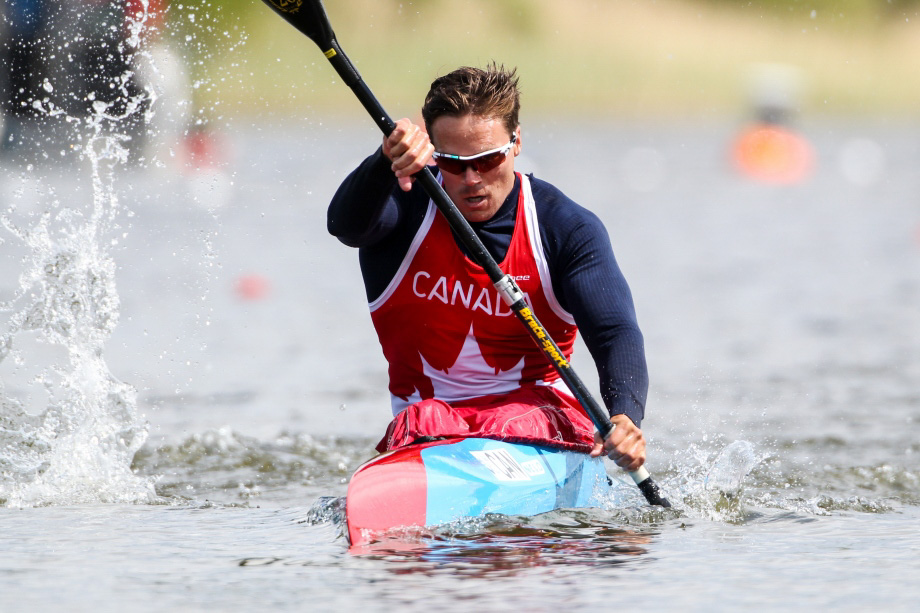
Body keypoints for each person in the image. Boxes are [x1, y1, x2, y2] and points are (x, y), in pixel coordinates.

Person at [328, 64, 649, 472]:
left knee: (512, 418)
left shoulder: (565, 228)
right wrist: (383, 160)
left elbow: (614, 332)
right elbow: (344, 226)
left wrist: (625, 417)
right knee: (423, 418)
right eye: (452, 162)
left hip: (535, 420)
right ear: (431, 152)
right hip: (428, 427)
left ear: (516, 143)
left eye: (487, 159)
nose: (471, 178)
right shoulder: (406, 205)